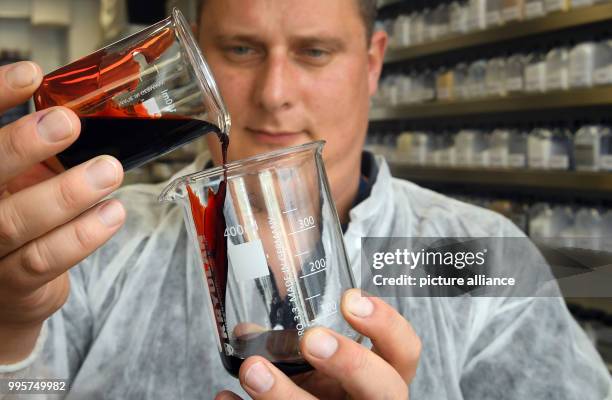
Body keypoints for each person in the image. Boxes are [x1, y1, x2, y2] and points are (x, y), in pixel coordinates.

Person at [0, 0, 610, 398]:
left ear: (372, 64)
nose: (274, 94)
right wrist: (9, 332)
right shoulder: (91, 239)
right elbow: (34, 390)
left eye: (314, 51)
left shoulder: (477, 254)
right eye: (241, 49)